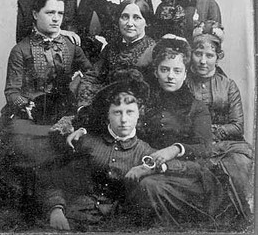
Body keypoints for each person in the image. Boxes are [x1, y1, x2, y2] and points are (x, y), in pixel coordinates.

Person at [67, 35, 224, 229]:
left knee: (148, 186)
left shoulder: (196, 107)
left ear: (185, 74)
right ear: (156, 72)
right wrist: (83, 129)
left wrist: (174, 149)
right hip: (141, 161)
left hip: (185, 173)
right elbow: (112, 113)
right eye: (164, 69)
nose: (170, 76)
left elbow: (205, 149)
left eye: (177, 71)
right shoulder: (145, 98)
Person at [0, 0, 92, 213]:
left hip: (62, 113)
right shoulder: (21, 50)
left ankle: (59, 203)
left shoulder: (70, 45)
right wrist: (25, 105)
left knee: (76, 142)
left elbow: (90, 73)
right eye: (50, 12)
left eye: (60, 13)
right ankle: (42, 203)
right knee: (19, 140)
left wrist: (78, 84)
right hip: (30, 116)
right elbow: (11, 91)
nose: (56, 18)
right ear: (35, 14)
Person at [40, 69, 157, 230]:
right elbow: (53, 177)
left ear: (139, 114)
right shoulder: (86, 142)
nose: (124, 120)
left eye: (130, 112)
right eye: (117, 112)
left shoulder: (145, 151)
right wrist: (56, 209)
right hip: (74, 216)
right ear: (107, 114)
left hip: (117, 224)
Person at [186, 20, 254, 219]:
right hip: (195, 144)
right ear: (191, 54)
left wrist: (211, 130)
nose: (203, 61)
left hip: (228, 145)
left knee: (239, 165)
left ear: (218, 57)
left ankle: (241, 219)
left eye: (209, 55)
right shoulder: (183, 84)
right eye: (198, 54)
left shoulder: (228, 85)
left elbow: (237, 126)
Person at [77, 0, 156, 109]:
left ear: (146, 21)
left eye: (136, 18)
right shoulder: (111, 47)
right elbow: (93, 78)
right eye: (125, 17)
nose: (129, 23)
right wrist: (84, 106)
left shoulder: (154, 50)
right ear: (118, 20)